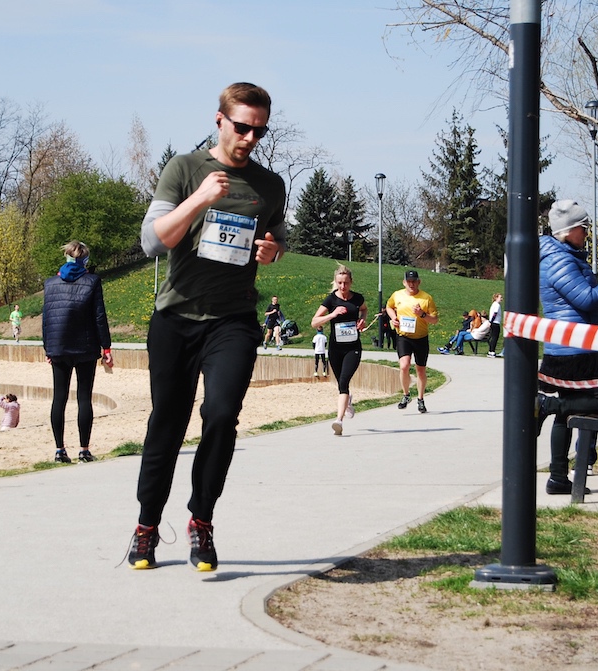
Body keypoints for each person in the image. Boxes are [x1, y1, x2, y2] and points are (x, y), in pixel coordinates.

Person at [130, 82, 286, 572]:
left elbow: (278, 233)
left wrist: (274, 250)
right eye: (242, 127)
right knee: (168, 423)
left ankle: (201, 521)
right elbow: (152, 242)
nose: (250, 139)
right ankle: (146, 527)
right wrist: (199, 198)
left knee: (221, 415)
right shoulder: (183, 169)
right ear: (219, 120)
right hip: (176, 319)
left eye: (260, 131)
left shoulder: (269, 185)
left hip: (232, 320)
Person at [536, 200, 598, 495]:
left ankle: (558, 477)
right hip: (575, 352)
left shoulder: (563, 256)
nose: (587, 233)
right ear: (568, 230)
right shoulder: (559, 260)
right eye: (584, 228)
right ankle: (549, 405)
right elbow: (586, 299)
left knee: (568, 415)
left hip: (572, 349)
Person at [42, 240, 113, 465]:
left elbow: (47, 318)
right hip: (85, 346)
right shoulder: (92, 281)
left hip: (59, 346)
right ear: (85, 260)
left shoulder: (50, 283)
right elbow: (99, 316)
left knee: (59, 398)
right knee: (84, 397)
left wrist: (48, 348)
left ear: (66, 256)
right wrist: (106, 347)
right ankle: (84, 450)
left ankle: (59, 450)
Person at [311, 265, 368, 435]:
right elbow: (314, 322)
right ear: (336, 282)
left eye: (346, 283)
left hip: (353, 348)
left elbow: (364, 309)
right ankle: (347, 401)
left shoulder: (357, 298)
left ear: (351, 282)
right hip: (335, 349)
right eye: (340, 283)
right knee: (341, 384)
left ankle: (338, 421)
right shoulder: (331, 300)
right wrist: (332, 314)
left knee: (343, 382)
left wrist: (362, 320)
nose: (343, 286)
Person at [386, 269, 439, 413]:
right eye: (409, 281)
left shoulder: (426, 298)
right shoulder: (397, 295)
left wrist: (422, 314)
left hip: (421, 338)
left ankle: (420, 399)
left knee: (420, 370)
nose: (411, 284)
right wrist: (393, 317)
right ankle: (406, 394)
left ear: (419, 282)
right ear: (404, 282)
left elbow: (435, 320)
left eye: (414, 281)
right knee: (404, 365)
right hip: (404, 336)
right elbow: (389, 306)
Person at [487, 293, 503, 357]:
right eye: (500, 297)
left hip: (493, 322)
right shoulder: (497, 305)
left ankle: (490, 351)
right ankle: (492, 351)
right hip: (495, 322)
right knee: (495, 337)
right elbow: (495, 314)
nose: (501, 299)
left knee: (493, 337)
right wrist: (491, 321)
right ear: (496, 298)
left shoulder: (493, 304)